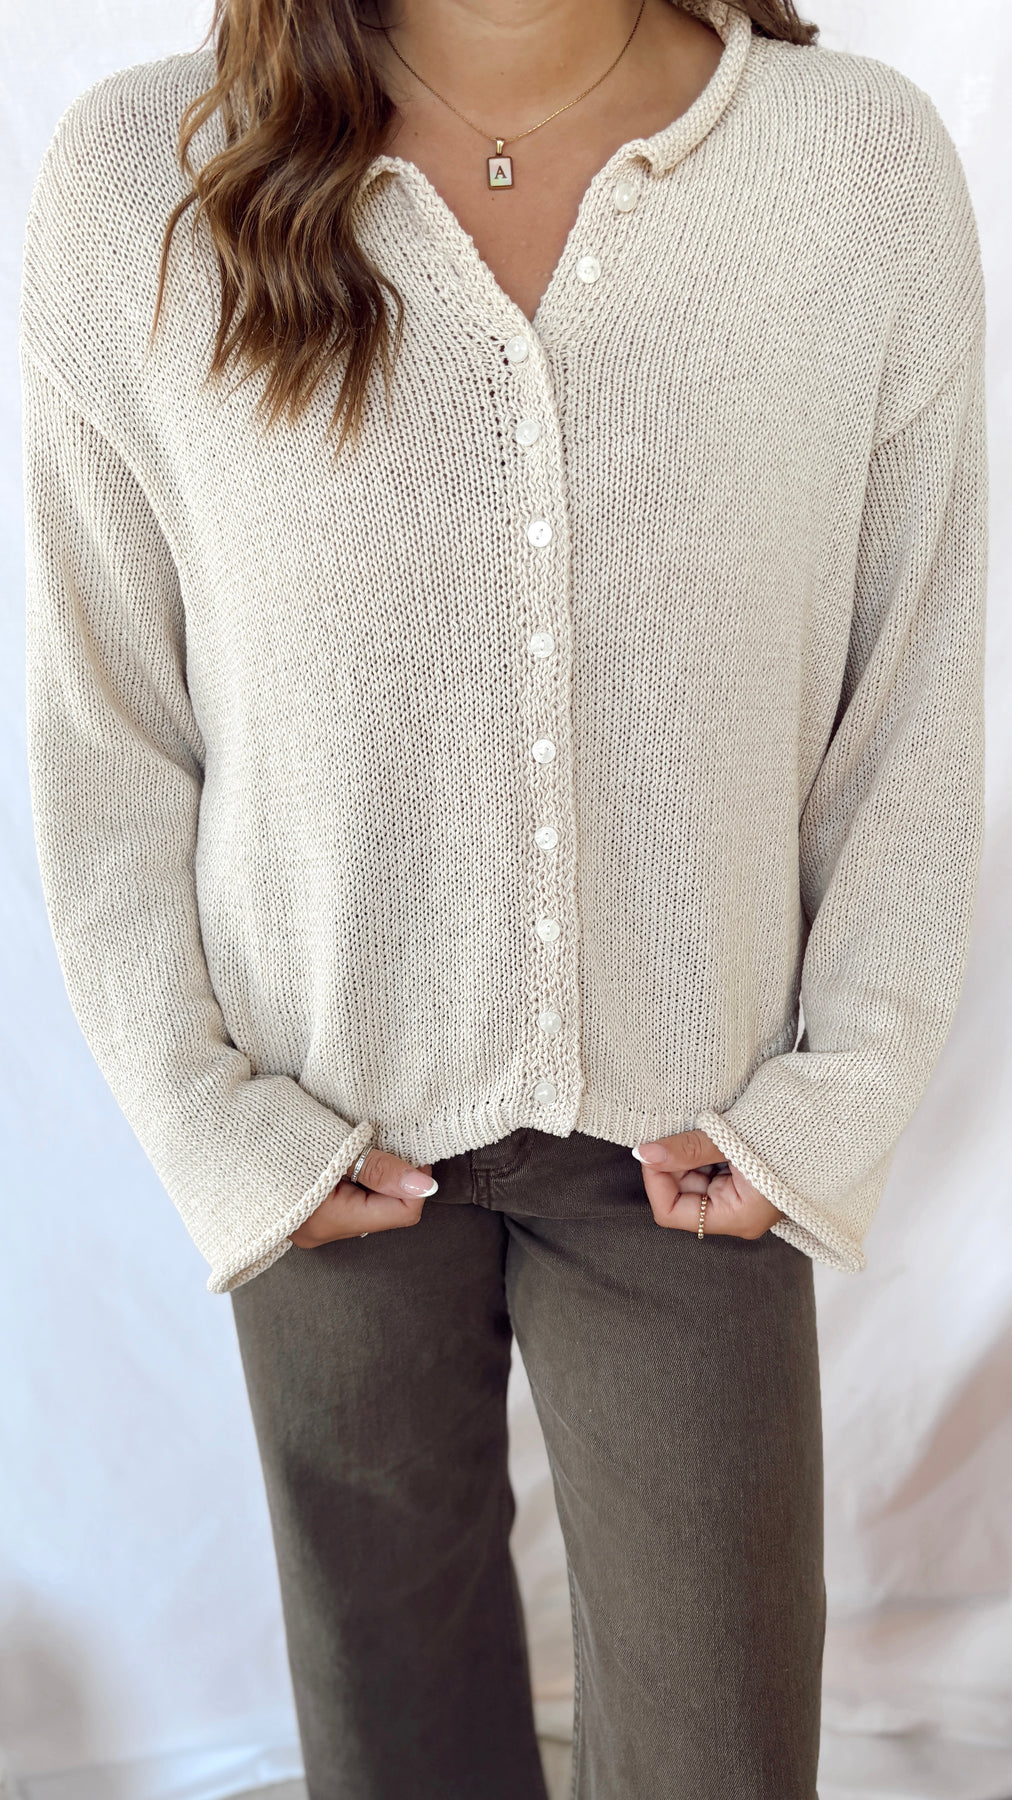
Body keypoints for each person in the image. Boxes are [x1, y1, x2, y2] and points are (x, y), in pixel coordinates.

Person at [20, 0, 986, 1791]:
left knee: (721, 1753)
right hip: (317, 1138)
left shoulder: (855, 172)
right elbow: (110, 734)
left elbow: (912, 703)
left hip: (697, 1149)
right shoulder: (140, 184)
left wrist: (831, 1102)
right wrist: (217, 1128)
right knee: (392, 1749)